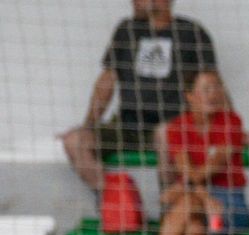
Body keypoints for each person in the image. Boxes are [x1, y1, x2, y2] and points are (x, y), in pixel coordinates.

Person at [61, 0, 219, 197]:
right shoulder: (126, 30)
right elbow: (107, 81)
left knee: (166, 135)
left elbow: (212, 84)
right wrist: (88, 125)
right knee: (74, 141)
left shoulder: (191, 32)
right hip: (127, 125)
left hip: (172, 124)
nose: (133, 2)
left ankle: (170, 211)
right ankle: (116, 202)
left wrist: (229, 128)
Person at [128, 71, 248, 235]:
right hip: (203, 208)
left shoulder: (232, 122)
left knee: (186, 202)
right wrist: (202, 196)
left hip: (229, 207)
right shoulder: (177, 128)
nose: (213, 94)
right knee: (193, 227)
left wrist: (184, 186)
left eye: (217, 87)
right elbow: (187, 170)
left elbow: (211, 167)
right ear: (190, 96)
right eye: (206, 89)